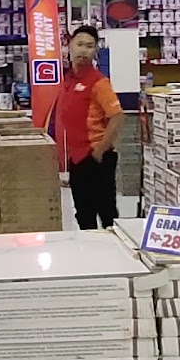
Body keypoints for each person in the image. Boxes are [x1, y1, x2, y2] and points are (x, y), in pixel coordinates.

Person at [51, 23, 123, 229]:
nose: (83, 50)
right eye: (80, 44)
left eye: (90, 46)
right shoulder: (68, 79)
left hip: (95, 156)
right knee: (83, 214)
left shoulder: (99, 82)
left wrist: (99, 151)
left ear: (95, 51)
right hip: (77, 157)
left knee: (107, 214)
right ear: (69, 46)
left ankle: (112, 250)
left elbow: (117, 116)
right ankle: (88, 248)